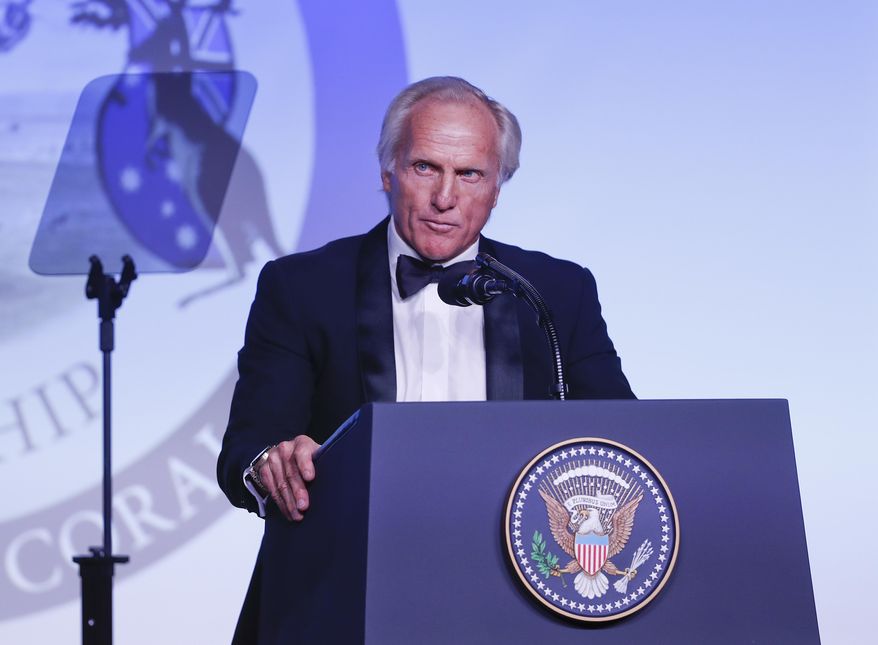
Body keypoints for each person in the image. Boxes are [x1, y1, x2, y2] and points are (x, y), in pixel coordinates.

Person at [217, 76, 634, 639]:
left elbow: (628, 446)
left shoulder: (557, 291)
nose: (445, 197)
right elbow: (248, 446)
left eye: (470, 174)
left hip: (521, 606)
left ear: (497, 188)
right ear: (387, 172)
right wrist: (273, 462)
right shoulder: (301, 286)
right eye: (425, 168)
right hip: (343, 599)